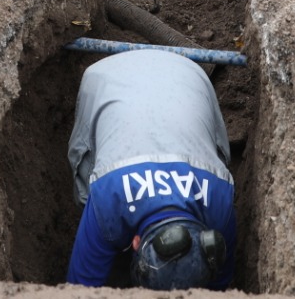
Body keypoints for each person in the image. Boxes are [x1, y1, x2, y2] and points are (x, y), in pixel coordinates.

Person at [65, 50, 238, 290]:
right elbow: (79, 289)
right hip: (105, 79)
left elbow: (220, 283)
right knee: (88, 189)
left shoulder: (222, 202)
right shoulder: (107, 199)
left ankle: (100, 238)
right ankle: (100, 238)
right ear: (135, 242)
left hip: (190, 75)